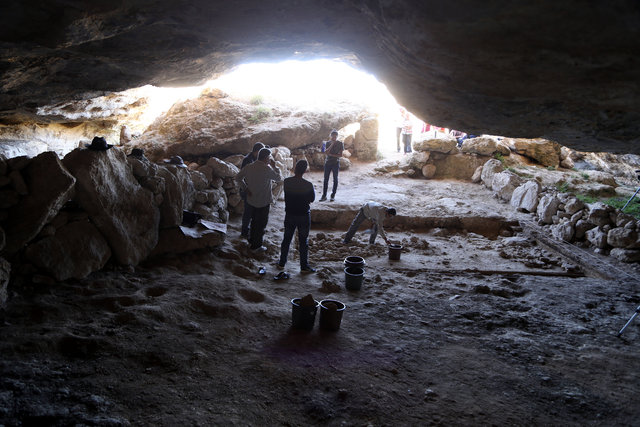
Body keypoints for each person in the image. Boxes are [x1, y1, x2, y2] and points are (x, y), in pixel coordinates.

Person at [235, 147, 282, 252]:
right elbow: (278, 178)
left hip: (252, 199)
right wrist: (275, 167)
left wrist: (245, 188)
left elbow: (238, 178)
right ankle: (257, 246)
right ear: (266, 158)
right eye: (269, 157)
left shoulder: (249, 167)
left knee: (253, 221)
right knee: (261, 224)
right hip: (263, 201)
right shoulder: (267, 169)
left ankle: (251, 240)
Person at [278, 159, 316, 273]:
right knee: (303, 241)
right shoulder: (308, 185)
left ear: (295, 168)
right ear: (305, 170)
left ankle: (281, 263)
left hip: (290, 214)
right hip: (303, 215)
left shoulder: (287, 181)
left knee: (286, 239)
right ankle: (304, 266)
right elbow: (312, 199)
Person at [239, 142, 265, 239]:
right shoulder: (248, 160)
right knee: (248, 212)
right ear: (257, 151)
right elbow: (241, 177)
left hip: (253, 190)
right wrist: (246, 189)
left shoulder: (255, 159)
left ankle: (249, 230)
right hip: (247, 190)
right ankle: (244, 231)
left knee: (252, 212)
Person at [320, 129, 344, 202]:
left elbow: (340, 155)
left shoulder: (340, 143)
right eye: (333, 136)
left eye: (335, 136)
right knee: (326, 179)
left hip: (335, 163)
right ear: (331, 136)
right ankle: (324, 195)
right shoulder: (327, 143)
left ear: (337, 136)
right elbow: (326, 152)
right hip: (328, 163)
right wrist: (332, 144)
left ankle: (333, 195)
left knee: (335, 179)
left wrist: (332, 155)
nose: (334, 137)